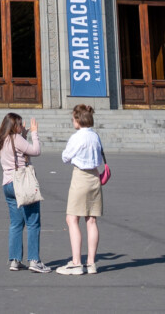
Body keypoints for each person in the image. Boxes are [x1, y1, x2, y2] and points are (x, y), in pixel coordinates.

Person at [0, 112, 51, 273]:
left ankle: (15, 259)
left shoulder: (3, 140)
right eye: (20, 124)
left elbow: (18, 152)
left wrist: (23, 135)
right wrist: (34, 132)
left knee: (16, 223)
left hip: (8, 184)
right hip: (22, 183)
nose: (22, 127)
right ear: (14, 126)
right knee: (33, 222)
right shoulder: (16, 138)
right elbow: (36, 150)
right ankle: (34, 260)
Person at [57, 102, 106, 275]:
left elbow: (65, 157)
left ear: (78, 120)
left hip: (80, 176)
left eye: (73, 119)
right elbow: (100, 157)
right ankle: (91, 263)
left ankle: (76, 262)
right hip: (95, 176)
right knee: (91, 220)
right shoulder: (95, 136)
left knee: (72, 219)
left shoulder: (77, 137)